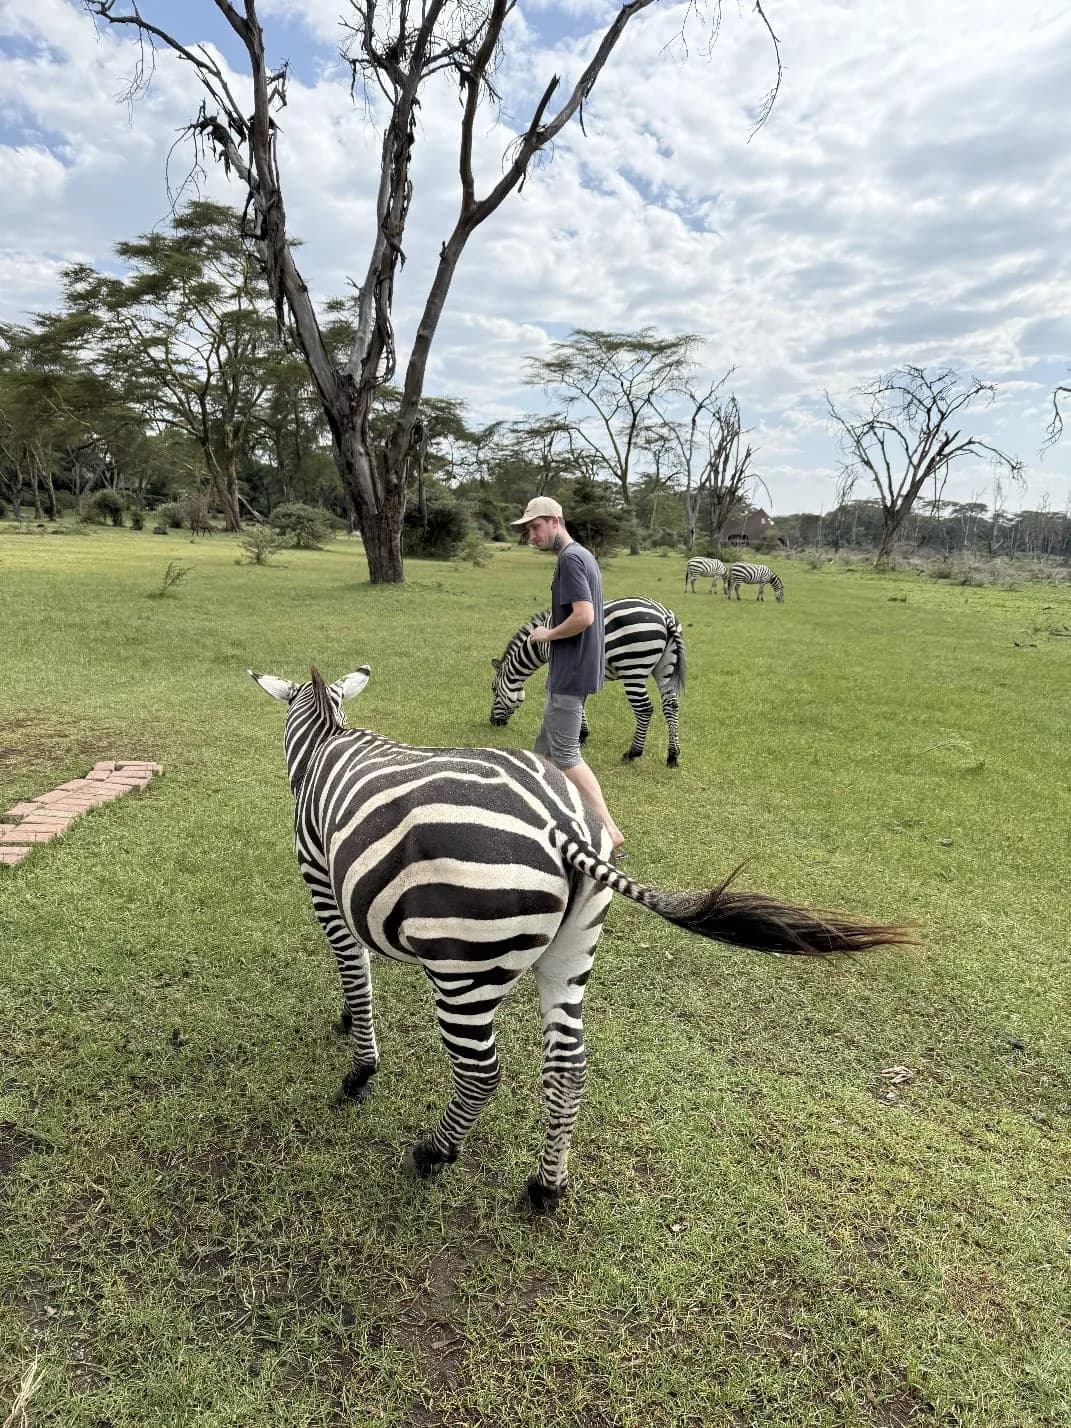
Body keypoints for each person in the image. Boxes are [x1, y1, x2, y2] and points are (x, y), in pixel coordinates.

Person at [509, 496, 625, 857]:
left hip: (570, 672)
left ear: (555, 521)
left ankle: (609, 829)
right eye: (528, 530)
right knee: (542, 754)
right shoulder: (583, 556)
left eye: (535, 527)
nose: (531, 535)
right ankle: (536, 818)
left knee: (566, 754)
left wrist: (547, 634)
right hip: (574, 669)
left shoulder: (571, 560)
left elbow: (585, 616)